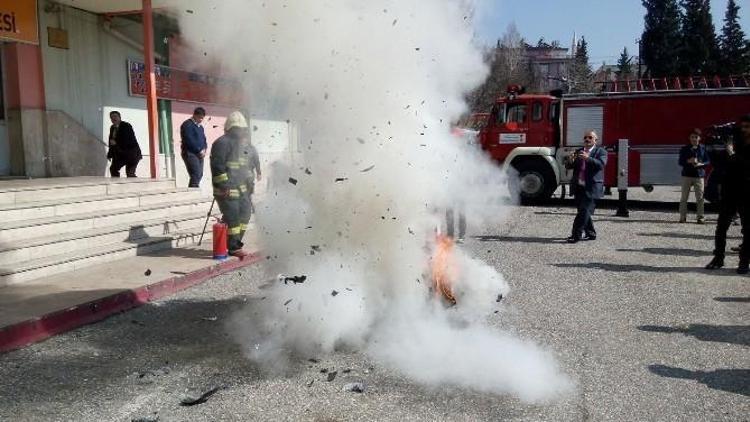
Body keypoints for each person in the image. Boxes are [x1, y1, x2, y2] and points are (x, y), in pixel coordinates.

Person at [210, 111, 261, 259]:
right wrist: (224, 186)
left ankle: (234, 242)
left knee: (245, 214)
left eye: (242, 129)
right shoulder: (221, 143)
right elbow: (217, 167)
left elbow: (246, 166)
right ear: (230, 128)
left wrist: (250, 183)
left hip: (241, 188)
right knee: (233, 218)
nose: (240, 132)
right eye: (238, 129)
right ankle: (233, 248)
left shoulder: (242, 145)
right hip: (226, 189)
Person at [706, 114, 750, 274]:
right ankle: (718, 257)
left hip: (746, 191)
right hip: (729, 189)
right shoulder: (736, 138)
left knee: (747, 229)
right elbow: (720, 161)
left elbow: (745, 165)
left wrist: (731, 154)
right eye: (742, 127)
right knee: (721, 226)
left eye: (747, 127)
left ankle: (744, 262)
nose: (744, 130)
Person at [565, 130, 608, 243]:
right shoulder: (579, 151)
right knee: (584, 212)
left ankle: (576, 235)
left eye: (590, 137)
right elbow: (569, 166)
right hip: (579, 187)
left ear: (595, 140)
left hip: (592, 187)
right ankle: (591, 233)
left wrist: (587, 158)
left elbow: (600, 165)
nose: (587, 140)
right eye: (585, 138)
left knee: (583, 212)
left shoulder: (601, 151)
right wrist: (569, 160)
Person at [678, 128, 710, 224]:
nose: (694, 139)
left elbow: (708, 161)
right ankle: (682, 217)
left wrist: (701, 164)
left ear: (699, 138)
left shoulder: (703, 148)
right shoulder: (684, 149)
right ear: (689, 138)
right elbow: (680, 162)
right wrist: (688, 161)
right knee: (684, 198)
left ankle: (700, 217)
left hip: (699, 175)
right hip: (686, 175)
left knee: (700, 198)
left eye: (696, 137)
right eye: (692, 137)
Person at [107, 111, 142, 177]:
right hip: (121, 153)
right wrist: (109, 154)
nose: (113, 118)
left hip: (132, 153)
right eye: (111, 117)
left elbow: (127, 140)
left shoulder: (126, 126)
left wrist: (116, 143)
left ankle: (133, 186)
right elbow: (111, 141)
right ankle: (116, 185)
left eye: (115, 116)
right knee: (113, 169)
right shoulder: (112, 128)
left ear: (120, 117)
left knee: (130, 173)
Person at [180, 107, 208, 188]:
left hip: (200, 154)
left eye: (202, 118)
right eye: (200, 117)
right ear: (195, 115)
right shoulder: (187, 125)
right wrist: (199, 150)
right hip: (190, 153)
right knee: (196, 173)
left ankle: (193, 189)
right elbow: (189, 140)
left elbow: (204, 139)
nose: (201, 119)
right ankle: (193, 191)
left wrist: (205, 149)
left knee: (200, 174)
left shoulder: (200, 127)